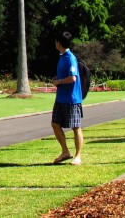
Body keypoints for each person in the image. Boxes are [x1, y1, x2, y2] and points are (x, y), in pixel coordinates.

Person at [51, 30, 83, 165]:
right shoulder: (62, 57)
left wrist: (59, 82)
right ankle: (65, 152)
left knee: (75, 127)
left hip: (71, 99)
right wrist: (57, 78)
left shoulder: (70, 58)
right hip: (60, 98)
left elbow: (72, 78)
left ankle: (78, 156)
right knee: (55, 124)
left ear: (58, 43)